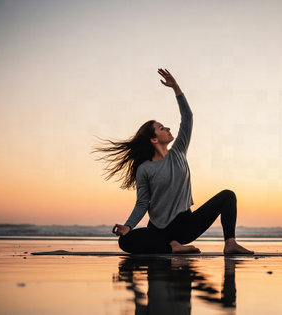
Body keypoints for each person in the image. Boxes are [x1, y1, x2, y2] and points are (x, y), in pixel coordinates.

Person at [94, 68, 254, 255]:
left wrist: (176, 88)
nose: (167, 128)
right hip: (159, 230)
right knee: (125, 241)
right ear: (154, 139)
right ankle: (172, 247)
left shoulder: (179, 151)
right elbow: (142, 203)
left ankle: (230, 243)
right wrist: (128, 226)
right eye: (161, 128)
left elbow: (188, 117)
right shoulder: (145, 169)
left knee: (228, 196)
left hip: (186, 226)